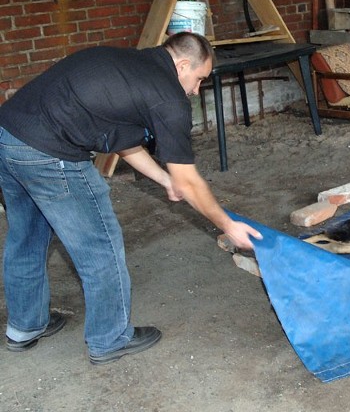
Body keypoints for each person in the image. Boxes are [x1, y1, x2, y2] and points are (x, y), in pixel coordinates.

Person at [0, 32, 263, 364]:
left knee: (27, 237)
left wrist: (163, 178)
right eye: (198, 79)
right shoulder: (168, 97)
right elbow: (191, 182)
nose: (197, 90)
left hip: (8, 136)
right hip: (51, 153)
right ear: (182, 64)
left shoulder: (130, 66)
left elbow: (121, 138)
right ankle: (110, 338)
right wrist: (228, 225)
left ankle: (25, 327)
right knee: (100, 245)